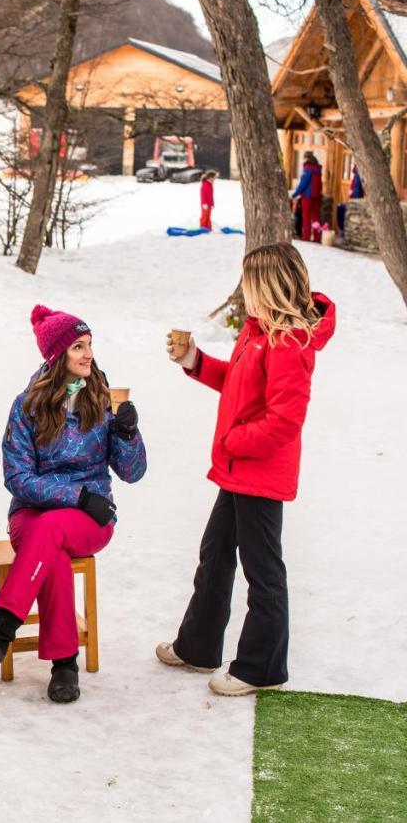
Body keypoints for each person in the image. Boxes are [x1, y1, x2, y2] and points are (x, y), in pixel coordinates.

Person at [158, 244, 335, 695]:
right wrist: (195, 361)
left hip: (259, 473)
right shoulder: (257, 332)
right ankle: (198, 646)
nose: (243, 293)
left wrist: (234, 441)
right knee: (214, 555)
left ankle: (262, 667)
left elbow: (284, 421)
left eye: (249, 284)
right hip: (237, 470)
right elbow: (236, 384)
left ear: (269, 288)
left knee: (263, 570)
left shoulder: (288, 343)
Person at [0, 305, 147, 704]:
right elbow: (18, 478)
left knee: (53, 534)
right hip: (35, 515)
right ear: (56, 356)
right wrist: (76, 496)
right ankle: (65, 664)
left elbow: (133, 473)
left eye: (89, 345)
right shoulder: (27, 406)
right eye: (78, 347)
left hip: (92, 518)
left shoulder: (102, 399)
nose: (88, 354)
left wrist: (129, 434)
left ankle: (2, 632)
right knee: (52, 548)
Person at [291, 151, 324, 242]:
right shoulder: (317, 169)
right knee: (316, 217)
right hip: (317, 196)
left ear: (306, 158)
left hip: (308, 196)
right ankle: (317, 237)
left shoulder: (308, 168)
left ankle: (306, 236)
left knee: (306, 217)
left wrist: (295, 194)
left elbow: (303, 184)